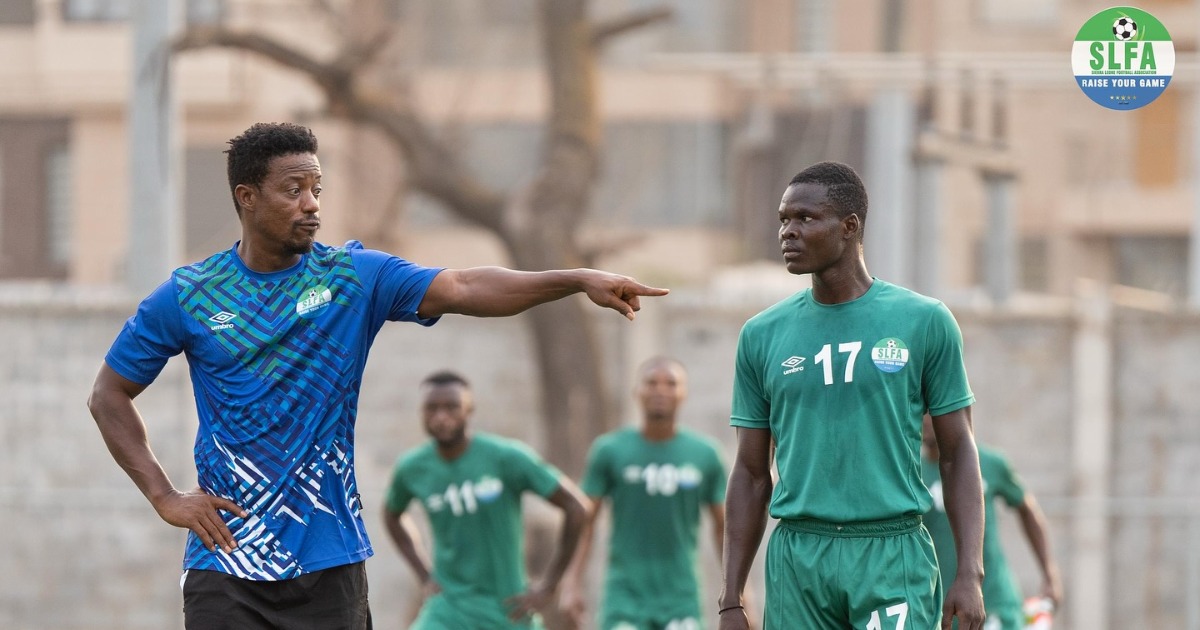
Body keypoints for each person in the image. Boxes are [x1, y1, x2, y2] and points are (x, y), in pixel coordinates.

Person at [85, 121, 667, 630]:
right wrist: (163, 495)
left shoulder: (353, 278)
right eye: (293, 190)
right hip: (226, 566)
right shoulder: (190, 295)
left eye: (317, 188)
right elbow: (110, 394)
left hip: (330, 565)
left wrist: (574, 277)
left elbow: (463, 286)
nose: (312, 203)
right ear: (247, 197)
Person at [717, 161, 986, 630]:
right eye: (783, 219)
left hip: (891, 552)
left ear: (849, 227)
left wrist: (969, 572)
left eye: (805, 218)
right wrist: (731, 597)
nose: (788, 232)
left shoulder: (924, 320)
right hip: (799, 557)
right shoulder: (761, 335)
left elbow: (959, 451)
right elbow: (751, 472)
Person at [382, 370, 588, 629]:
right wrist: (424, 574)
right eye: (431, 408)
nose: (441, 416)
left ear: (469, 410)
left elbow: (576, 507)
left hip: (508, 609)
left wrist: (549, 585)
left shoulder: (506, 457)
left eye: (451, 407)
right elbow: (392, 515)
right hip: (448, 608)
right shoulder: (412, 468)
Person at [561, 356, 728, 630]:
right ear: (637, 391)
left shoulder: (705, 455)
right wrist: (571, 582)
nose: (660, 390)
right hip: (625, 595)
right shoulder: (610, 450)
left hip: (681, 596)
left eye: (671, 384)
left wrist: (742, 596)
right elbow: (585, 521)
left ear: (683, 393)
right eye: (651, 383)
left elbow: (724, 529)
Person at [920, 415, 1062, 630]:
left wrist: (1050, 574)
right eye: (918, 411)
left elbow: (1027, 510)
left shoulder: (987, 463)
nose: (924, 419)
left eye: (930, 411)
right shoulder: (910, 475)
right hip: (940, 608)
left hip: (993, 603)